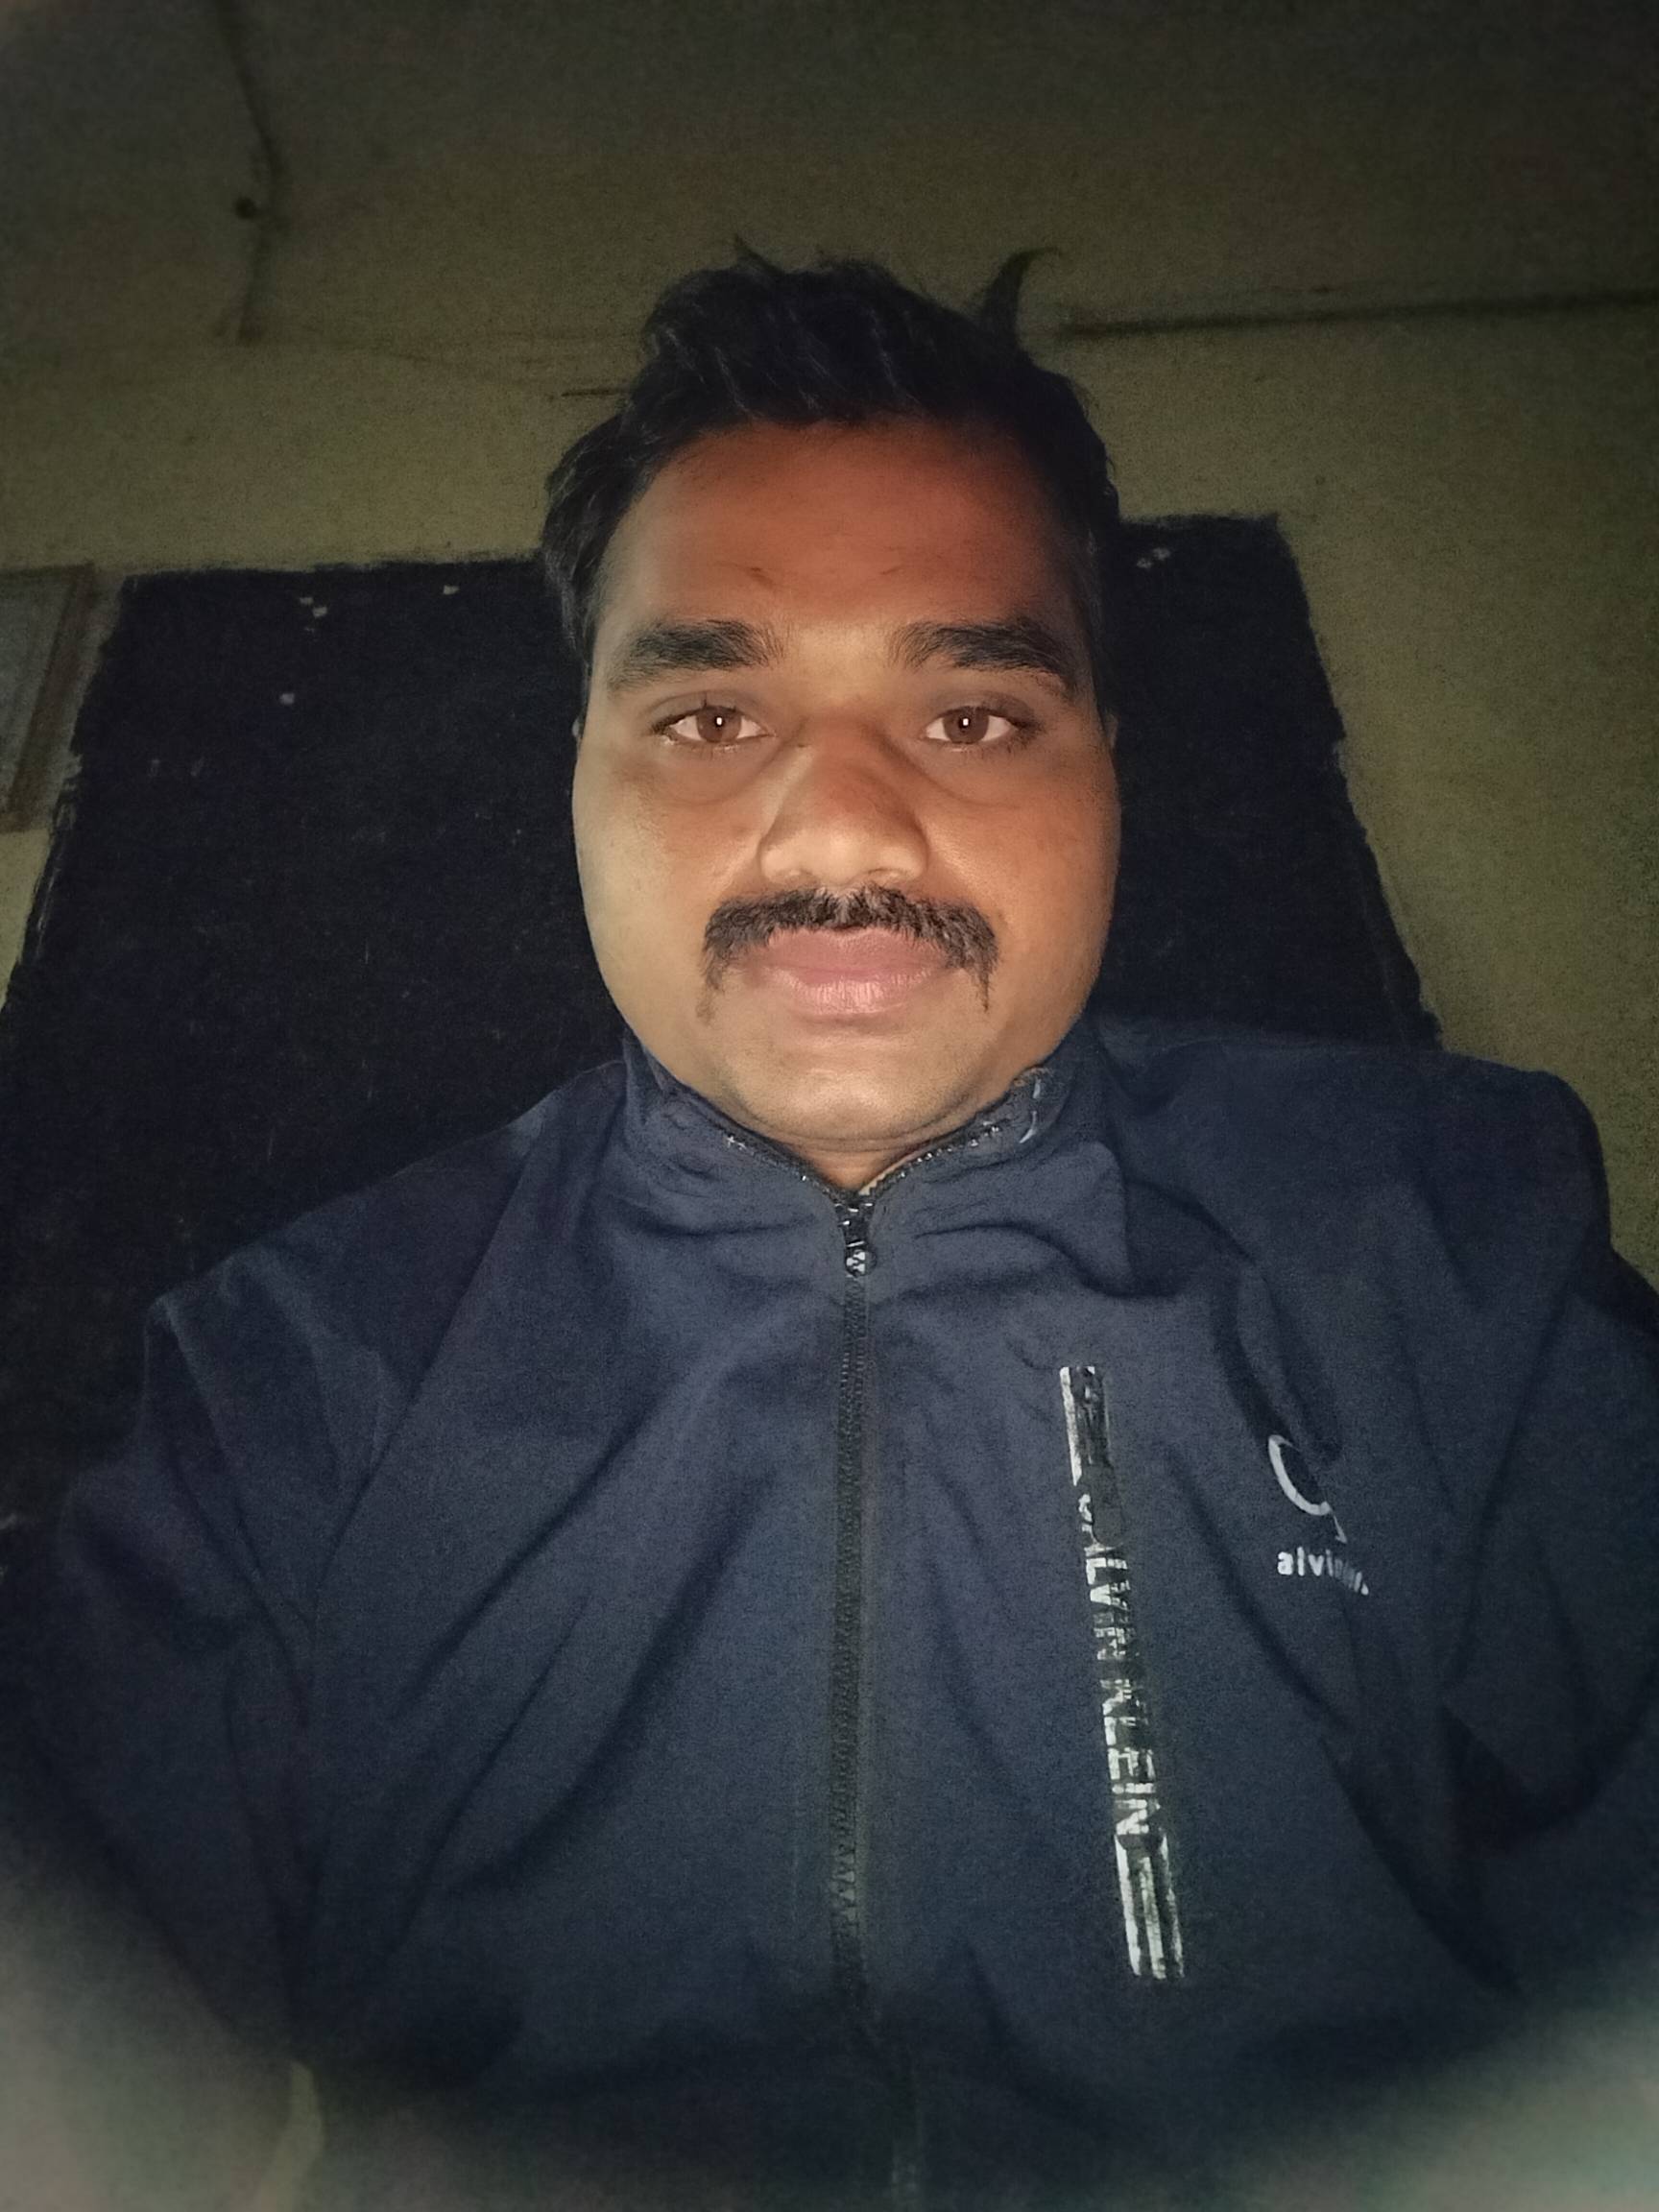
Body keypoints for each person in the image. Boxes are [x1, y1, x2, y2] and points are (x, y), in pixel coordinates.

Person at [8, 243, 1659, 2211]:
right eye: (713, 717)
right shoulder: (294, 1377)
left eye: (975, 716)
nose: (848, 831)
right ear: (580, 780)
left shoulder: (1447, 1259)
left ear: (1109, 775)